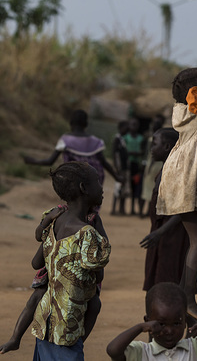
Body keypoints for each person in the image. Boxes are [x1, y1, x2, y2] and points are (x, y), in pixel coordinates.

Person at [155, 13, 197, 322]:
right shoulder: (195, 109)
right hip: (185, 178)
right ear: (195, 90)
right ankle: (189, 297)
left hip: (187, 176)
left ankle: (185, 294)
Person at [30, 162, 110, 359]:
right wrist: (98, 227)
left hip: (45, 322)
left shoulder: (55, 219)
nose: (102, 188)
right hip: (68, 325)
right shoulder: (87, 233)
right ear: (84, 188)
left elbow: (36, 262)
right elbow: (99, 270)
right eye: (97, 182)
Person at [0, 204, 103, 354]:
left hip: (69, 274)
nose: (102, 194)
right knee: (92, 304)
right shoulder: (60, 214)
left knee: (92, 304)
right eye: (98, 188)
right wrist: (48, 222)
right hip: (57, 272)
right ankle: (16, 338)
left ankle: (16, 338)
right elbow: (103, 250)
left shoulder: (89, 220)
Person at [106, 282, 197, 361]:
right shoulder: (142, 351)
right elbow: (113, 350)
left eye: (177, 323)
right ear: (147, 322)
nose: (169, 331)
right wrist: (139, 328)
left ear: (185, 322)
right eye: (161, 324)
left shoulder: (195, 348)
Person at [139, 128, 190, 294]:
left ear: (167, 146)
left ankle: (170, 317)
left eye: (155, 144)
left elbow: (185, 209)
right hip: (159, 234)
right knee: (155, 280)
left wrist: (160, 232)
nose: (151, 149)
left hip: (171, 235)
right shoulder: (163, 170)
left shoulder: (176, 172)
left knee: (167, 282)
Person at [23, 109, 120, 187]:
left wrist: (32, 161)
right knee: (92, 208)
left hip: (74, 180)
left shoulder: (66, 140)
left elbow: (50, 161)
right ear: (86, 124)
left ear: (71, 123)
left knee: (75, 205)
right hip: (94, 181)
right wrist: (117, 177)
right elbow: (104, 163)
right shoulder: (95, 141)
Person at [141, 114, 167, 217]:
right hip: (159, 165)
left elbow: (150, 155)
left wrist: (148, 167)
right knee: (153, 188)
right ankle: (148, 211)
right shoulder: (161, 138)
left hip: (151, 165)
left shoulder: (153, 139)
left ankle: (142, 211)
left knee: (146, 189)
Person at [124, 117, 146, 217]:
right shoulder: (126, 138)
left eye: (136, 124)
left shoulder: (141, 138)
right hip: (128, 164)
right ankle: (124, 208)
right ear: (129, 126)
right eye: (132, 124)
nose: (134, 126)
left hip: (136, 165)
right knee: (127, 186)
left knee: (135, 187)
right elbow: (124, 152)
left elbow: (142, 152)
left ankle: (133, 208)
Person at [111, 120, 130, 215]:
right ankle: (114, 209)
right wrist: (118, 169)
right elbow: (116, 155)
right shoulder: (117, 139)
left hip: (124, 168)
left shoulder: (122, 139)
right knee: (117, 189)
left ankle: (121, 209)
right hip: (120, 168)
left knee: (123, 190)